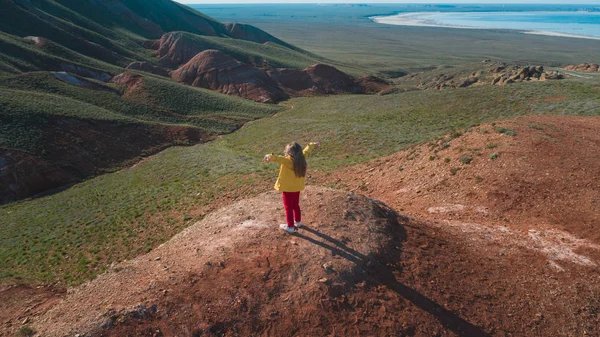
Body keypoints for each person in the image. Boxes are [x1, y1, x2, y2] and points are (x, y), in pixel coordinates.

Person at [264, 141, 319, 233]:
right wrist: (312, 144)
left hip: (287, 189)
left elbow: (278, 158)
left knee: (288, 207)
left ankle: (290, 226)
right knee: (295, 205)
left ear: (291, 152)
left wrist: (269, 156)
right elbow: (306, 151)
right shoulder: (302, 158)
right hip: (297, 188)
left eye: (288, 151)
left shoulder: (288, 161)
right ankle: (298, 222)